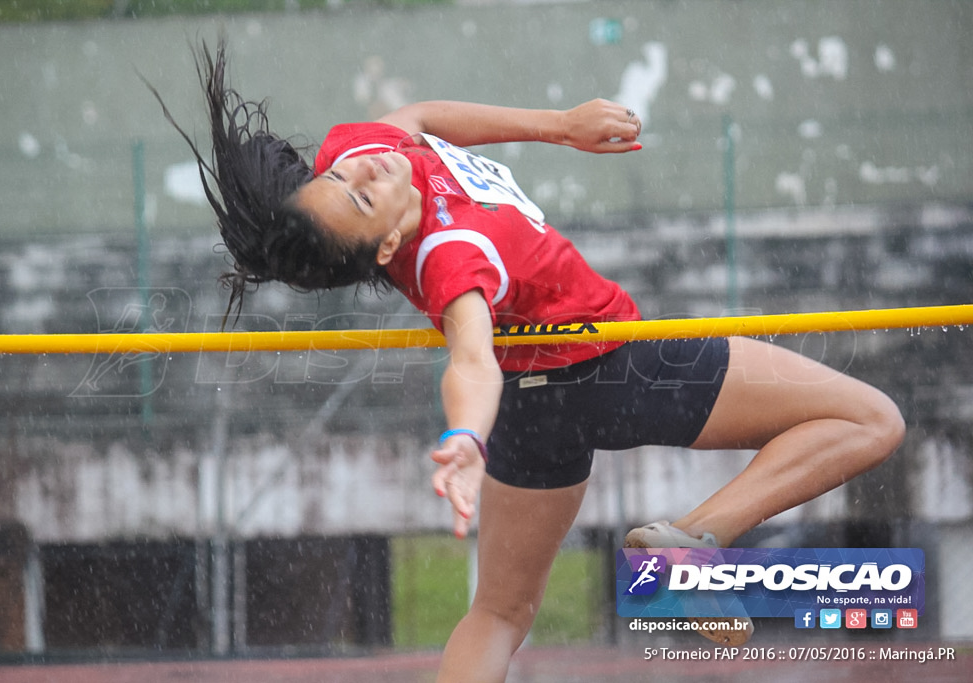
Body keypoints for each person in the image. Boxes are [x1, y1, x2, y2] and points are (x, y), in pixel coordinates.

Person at [162, 41, 906, 683]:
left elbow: (420, 117)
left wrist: (560, 128)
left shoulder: (355, 151)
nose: (371, 173)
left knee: (499, 612)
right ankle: (695, 540)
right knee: (869, 418)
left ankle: (687, 550)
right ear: (386, 249)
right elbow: (473, 359)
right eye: (360, 199)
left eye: (345, 178)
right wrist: (464, 437)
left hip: (535, 406)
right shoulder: (455, 257)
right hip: (614, 366)